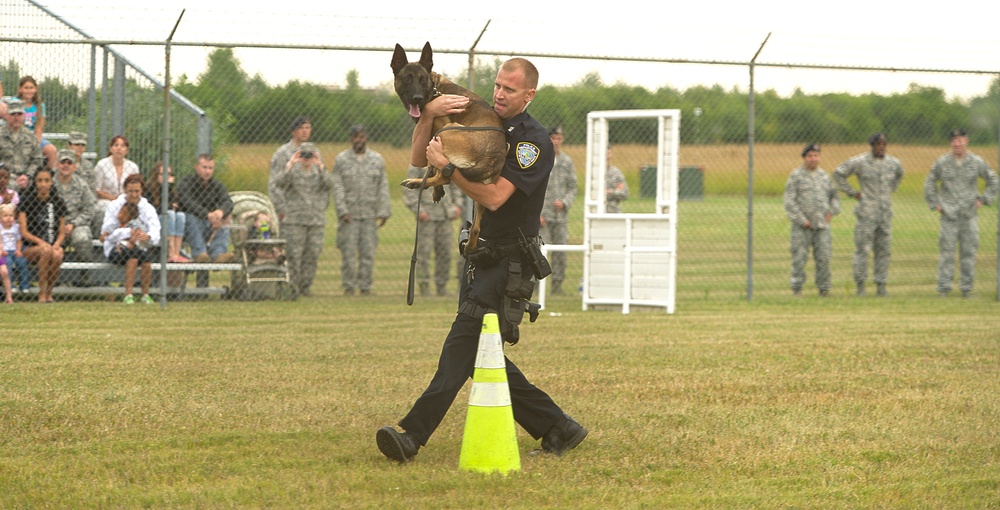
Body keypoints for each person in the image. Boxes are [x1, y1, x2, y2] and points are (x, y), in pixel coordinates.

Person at [376, 57, 587, 463]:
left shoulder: (532, 141)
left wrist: (449, 171)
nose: (499, 94)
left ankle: (411, 435)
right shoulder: (480, 115)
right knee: (478, 355)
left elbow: (494, 197)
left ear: (529, 94)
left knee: (460, 344)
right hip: (480, 254)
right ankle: (559, 426)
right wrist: (429, 114)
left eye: (510, 89)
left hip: (510, 260)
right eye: (497, 86)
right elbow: (421, 158)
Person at [924, 129, 999, 298]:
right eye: (954, 140)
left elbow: (993, 180)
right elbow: (930, 182)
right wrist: (935, 203)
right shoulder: (942, 162)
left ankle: (967, 289)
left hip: (968, 214)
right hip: (948, 215)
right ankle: (943, 289)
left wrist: (984, 199)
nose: (957, 143)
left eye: (960, 140)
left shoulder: (976, 161)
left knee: (968, 253)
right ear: (951, 143)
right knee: (946, 254)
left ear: (967, 141)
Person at [833, 132, 904, 296]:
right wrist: (853, 193)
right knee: (863, 250)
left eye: (884, 144)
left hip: (885, 213)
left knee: (884, 250)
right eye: (878, 144)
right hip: (866, 213)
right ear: (871, 146)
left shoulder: (893, 163)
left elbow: (900, 174)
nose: (881, 147)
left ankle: (881, 285)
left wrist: (890, 190)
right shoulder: (860, 162)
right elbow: (838, 174)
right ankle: (860, 286)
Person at [331, 125, 391, 295]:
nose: (359, 140)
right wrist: (342, 211)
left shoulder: (377, 159)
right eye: (356, 137)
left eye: (362, 137)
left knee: (368, 253)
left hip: (369, 214)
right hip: (349, 215)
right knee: (348, 253)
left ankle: (365, 287)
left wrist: (383, 211)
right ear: (351, 139)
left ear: (366, 138)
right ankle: (349, 286)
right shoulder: (341, 160)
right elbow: (337, 187)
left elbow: (383, 187)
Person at [272, 141, 334, 297]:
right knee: (294, 254)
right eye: (303, 154)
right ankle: (292, 286)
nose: (306, 158)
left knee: (312, 253)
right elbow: (278, 183)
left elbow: (330, 184)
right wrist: (290, 164)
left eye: (310, 154)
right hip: (295, 219)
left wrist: (321, 165)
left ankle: (305, 286)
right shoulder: (293, 171)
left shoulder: (319, 172)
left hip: (315, 219)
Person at [783, 144, 840, 297]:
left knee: (824, 258)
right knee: (799, 259)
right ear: (804, 158)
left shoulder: (825, 176)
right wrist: (801, 220)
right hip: (802, 227)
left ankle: (824, 289)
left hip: (822, 226)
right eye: (810, 156)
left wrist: (832, 212)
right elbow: (789, 201)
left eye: (816, 155)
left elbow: (834, 197)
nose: (813, 159)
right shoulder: (796, 176)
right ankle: (797, 289)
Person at [402, 164, 464, 297]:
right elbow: (409, 190)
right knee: (424, 254)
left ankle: (441, 286)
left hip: (445, 215)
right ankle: (424, 287)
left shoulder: (446, 162)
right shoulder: (418, 165)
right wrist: (419, 211)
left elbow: (455, 185)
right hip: (427, 217)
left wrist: (457, 205)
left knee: (445, 253)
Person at [100, 173, 160, 304]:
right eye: (130, 191)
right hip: (116, 248)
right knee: (133, 257)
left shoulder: (148, 208)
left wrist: (148, 236)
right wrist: (128, 232)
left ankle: (145, 295)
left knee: (146, 260)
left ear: (142, 190)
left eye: (137, 191)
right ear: (125, 190)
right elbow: (107, 235)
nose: (133, 194)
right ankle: (129, 294)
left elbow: (156, 232)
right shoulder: (114, 206)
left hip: (139, 246)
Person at [18, 167, 67, 303]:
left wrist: (56, 245)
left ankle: (49, 292)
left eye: (47, 180)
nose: (43, 184)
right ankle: (42, 294)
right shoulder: (27, 201)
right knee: (45, 250)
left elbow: (62, 232)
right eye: (40, 181)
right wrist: (41, 242)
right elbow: (24, 232)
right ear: (35, 183)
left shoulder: (58, 202)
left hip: (51, 245)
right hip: (30, 248)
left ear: (52, 182)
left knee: (57, 254)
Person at [539, 125, 577, 295]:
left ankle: (557, 286)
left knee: (560, 251)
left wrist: (565, 202)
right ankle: (535, 286)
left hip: (560, 216)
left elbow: (573, 187)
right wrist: (537, 213)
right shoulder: (539, 159)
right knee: (539, 251)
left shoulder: (566, 162)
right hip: (543, 216)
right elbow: (531, 187)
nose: (556, 142)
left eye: (559, 138)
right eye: (553, 138)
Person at [178, 153, 234, 264]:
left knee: (226, 217)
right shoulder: (186, 183)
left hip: (210, 225)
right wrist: (207, 215)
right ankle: (200, 254)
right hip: (190, 228)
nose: (207, 171)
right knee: (190, 217)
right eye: (204, 167)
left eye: (210, 168)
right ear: (196, 167)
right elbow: (187, 202)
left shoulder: (216, 185)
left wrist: (220, 212)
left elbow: (228, 202)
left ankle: (218, 254)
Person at [52, 149, 97, 282]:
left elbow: (89, 210)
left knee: (82, 238)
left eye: (69, 163)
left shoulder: (82, 185)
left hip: (76, 224)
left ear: (74, 166)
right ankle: (53, 279)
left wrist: (74, 224)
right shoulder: (49, 183)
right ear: (57, 165)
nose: (66, 165)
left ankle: (85, 275)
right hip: (53, 224)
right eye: (62, 162)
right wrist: (60, 225)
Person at [269, 116, 312, 226]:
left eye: (307, 128)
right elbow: (274, 184)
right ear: (294, 131)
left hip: (311, 212)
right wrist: (280, 208)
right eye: (301, 128)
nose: (305, 131)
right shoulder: (283, 153)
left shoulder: (314, 152)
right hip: (290, 212)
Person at [93, 135, 140, 234]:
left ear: (126, 150)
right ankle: (104, 235)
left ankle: (128, 236)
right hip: (106, 201)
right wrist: (114, 199)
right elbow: (97, 190)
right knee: (106, 209)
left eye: (122, 146)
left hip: (127, 201)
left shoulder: (132, 167)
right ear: (111, 149)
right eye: (116, 145)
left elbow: (136, 187)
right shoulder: (102, 165)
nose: (119, 148)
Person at [145, 162, 189, 263]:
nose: (166, 177)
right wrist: (170, 206)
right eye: (163, 174)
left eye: (169, 174)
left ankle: (176, 253)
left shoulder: (170, 189)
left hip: (169, 222)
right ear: (156, 175)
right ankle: (171, 253)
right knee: (170, 214)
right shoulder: (148, 189)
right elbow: (155, 211)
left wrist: (168, 188)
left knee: (181, 216)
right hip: (154, 223)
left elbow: (178, 207)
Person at [0, 98, 45, 191]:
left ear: (24, 116)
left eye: (19, 114)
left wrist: (27, 175)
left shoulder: (30, 136)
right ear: (7, 116)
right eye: (13, 114)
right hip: (4, 179)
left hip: (28, 178)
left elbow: (37, 159)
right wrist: (11, 177)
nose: (16, 117)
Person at [16, 76, 57, 170]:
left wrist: (35, 144)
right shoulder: (15, 102)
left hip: (33, 137)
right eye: (26, 88)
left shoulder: (40, 105)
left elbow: (39, 128)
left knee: (52, 150)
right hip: (18, 136)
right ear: (20, 88)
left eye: (31, 88)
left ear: (36, 88)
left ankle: (50, 176)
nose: (29, 91)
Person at [0, 203, 30, 295]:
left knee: (22, 262)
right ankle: (11, 286)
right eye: (5, 216)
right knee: (7, 264)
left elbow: (19, 240)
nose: (9, 218)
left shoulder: (16, 228)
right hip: (4, 252)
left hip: (14, 251)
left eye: (11, 215)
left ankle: (24, 286)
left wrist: (18, 250)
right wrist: (1, 250)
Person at [605, 146, 629, 213]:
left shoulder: (615, 172)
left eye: (608, 152)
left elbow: (625, 193)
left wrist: (609, 192)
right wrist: (615, 191)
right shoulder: (593, 174)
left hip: (613, 212)